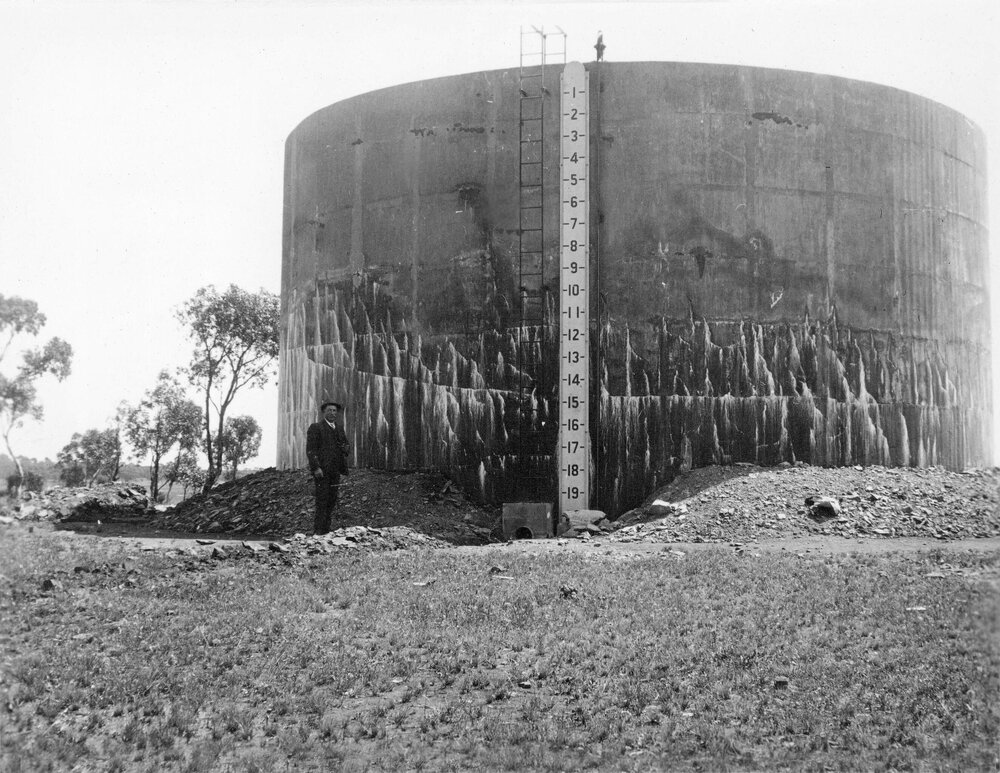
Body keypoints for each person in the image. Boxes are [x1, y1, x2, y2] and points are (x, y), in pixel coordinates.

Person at [306, 400, 351, 535]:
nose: (332, 413)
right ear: (323, 412)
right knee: (322, 500)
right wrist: (316, 468)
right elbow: (311, 450)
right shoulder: (316, 427)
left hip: (335, 471)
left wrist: (345, 448)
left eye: (334, 411)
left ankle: (326, 531)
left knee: (332, 500)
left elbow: (346, 446)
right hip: (322, 471)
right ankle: (318, 532)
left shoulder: (339, 428)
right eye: (329, 410)